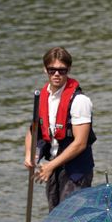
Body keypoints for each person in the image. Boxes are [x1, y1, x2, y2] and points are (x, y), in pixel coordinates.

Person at [24, 46, 95, 211]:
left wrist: (49, 166)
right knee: (54, 217)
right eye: (52, 70)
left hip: (75, 173)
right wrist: (29, 154)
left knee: (71, 218)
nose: (56, 74)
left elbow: (80, 143)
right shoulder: (43, 97)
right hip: (53, 169)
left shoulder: (79, 101)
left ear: (68, 70)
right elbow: (33, 130)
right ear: (45, 70)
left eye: (61, 70)